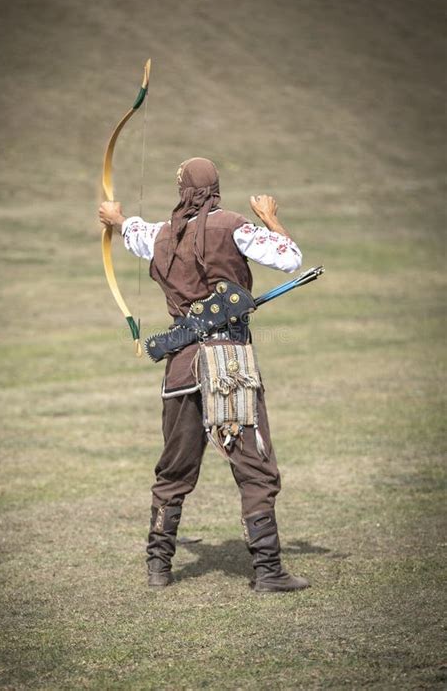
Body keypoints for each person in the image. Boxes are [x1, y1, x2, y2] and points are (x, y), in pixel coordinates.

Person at [98, 157, 310, 593]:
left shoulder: (160, 234)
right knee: (255, 468)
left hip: (180, 366)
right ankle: (268, 573)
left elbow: (132, 231)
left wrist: (115, 218)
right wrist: (270, 217)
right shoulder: (233, 224)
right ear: (215, 189)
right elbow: (290, 259)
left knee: (173, 469)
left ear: (182, 191)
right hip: (230, 365)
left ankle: (158, 567)